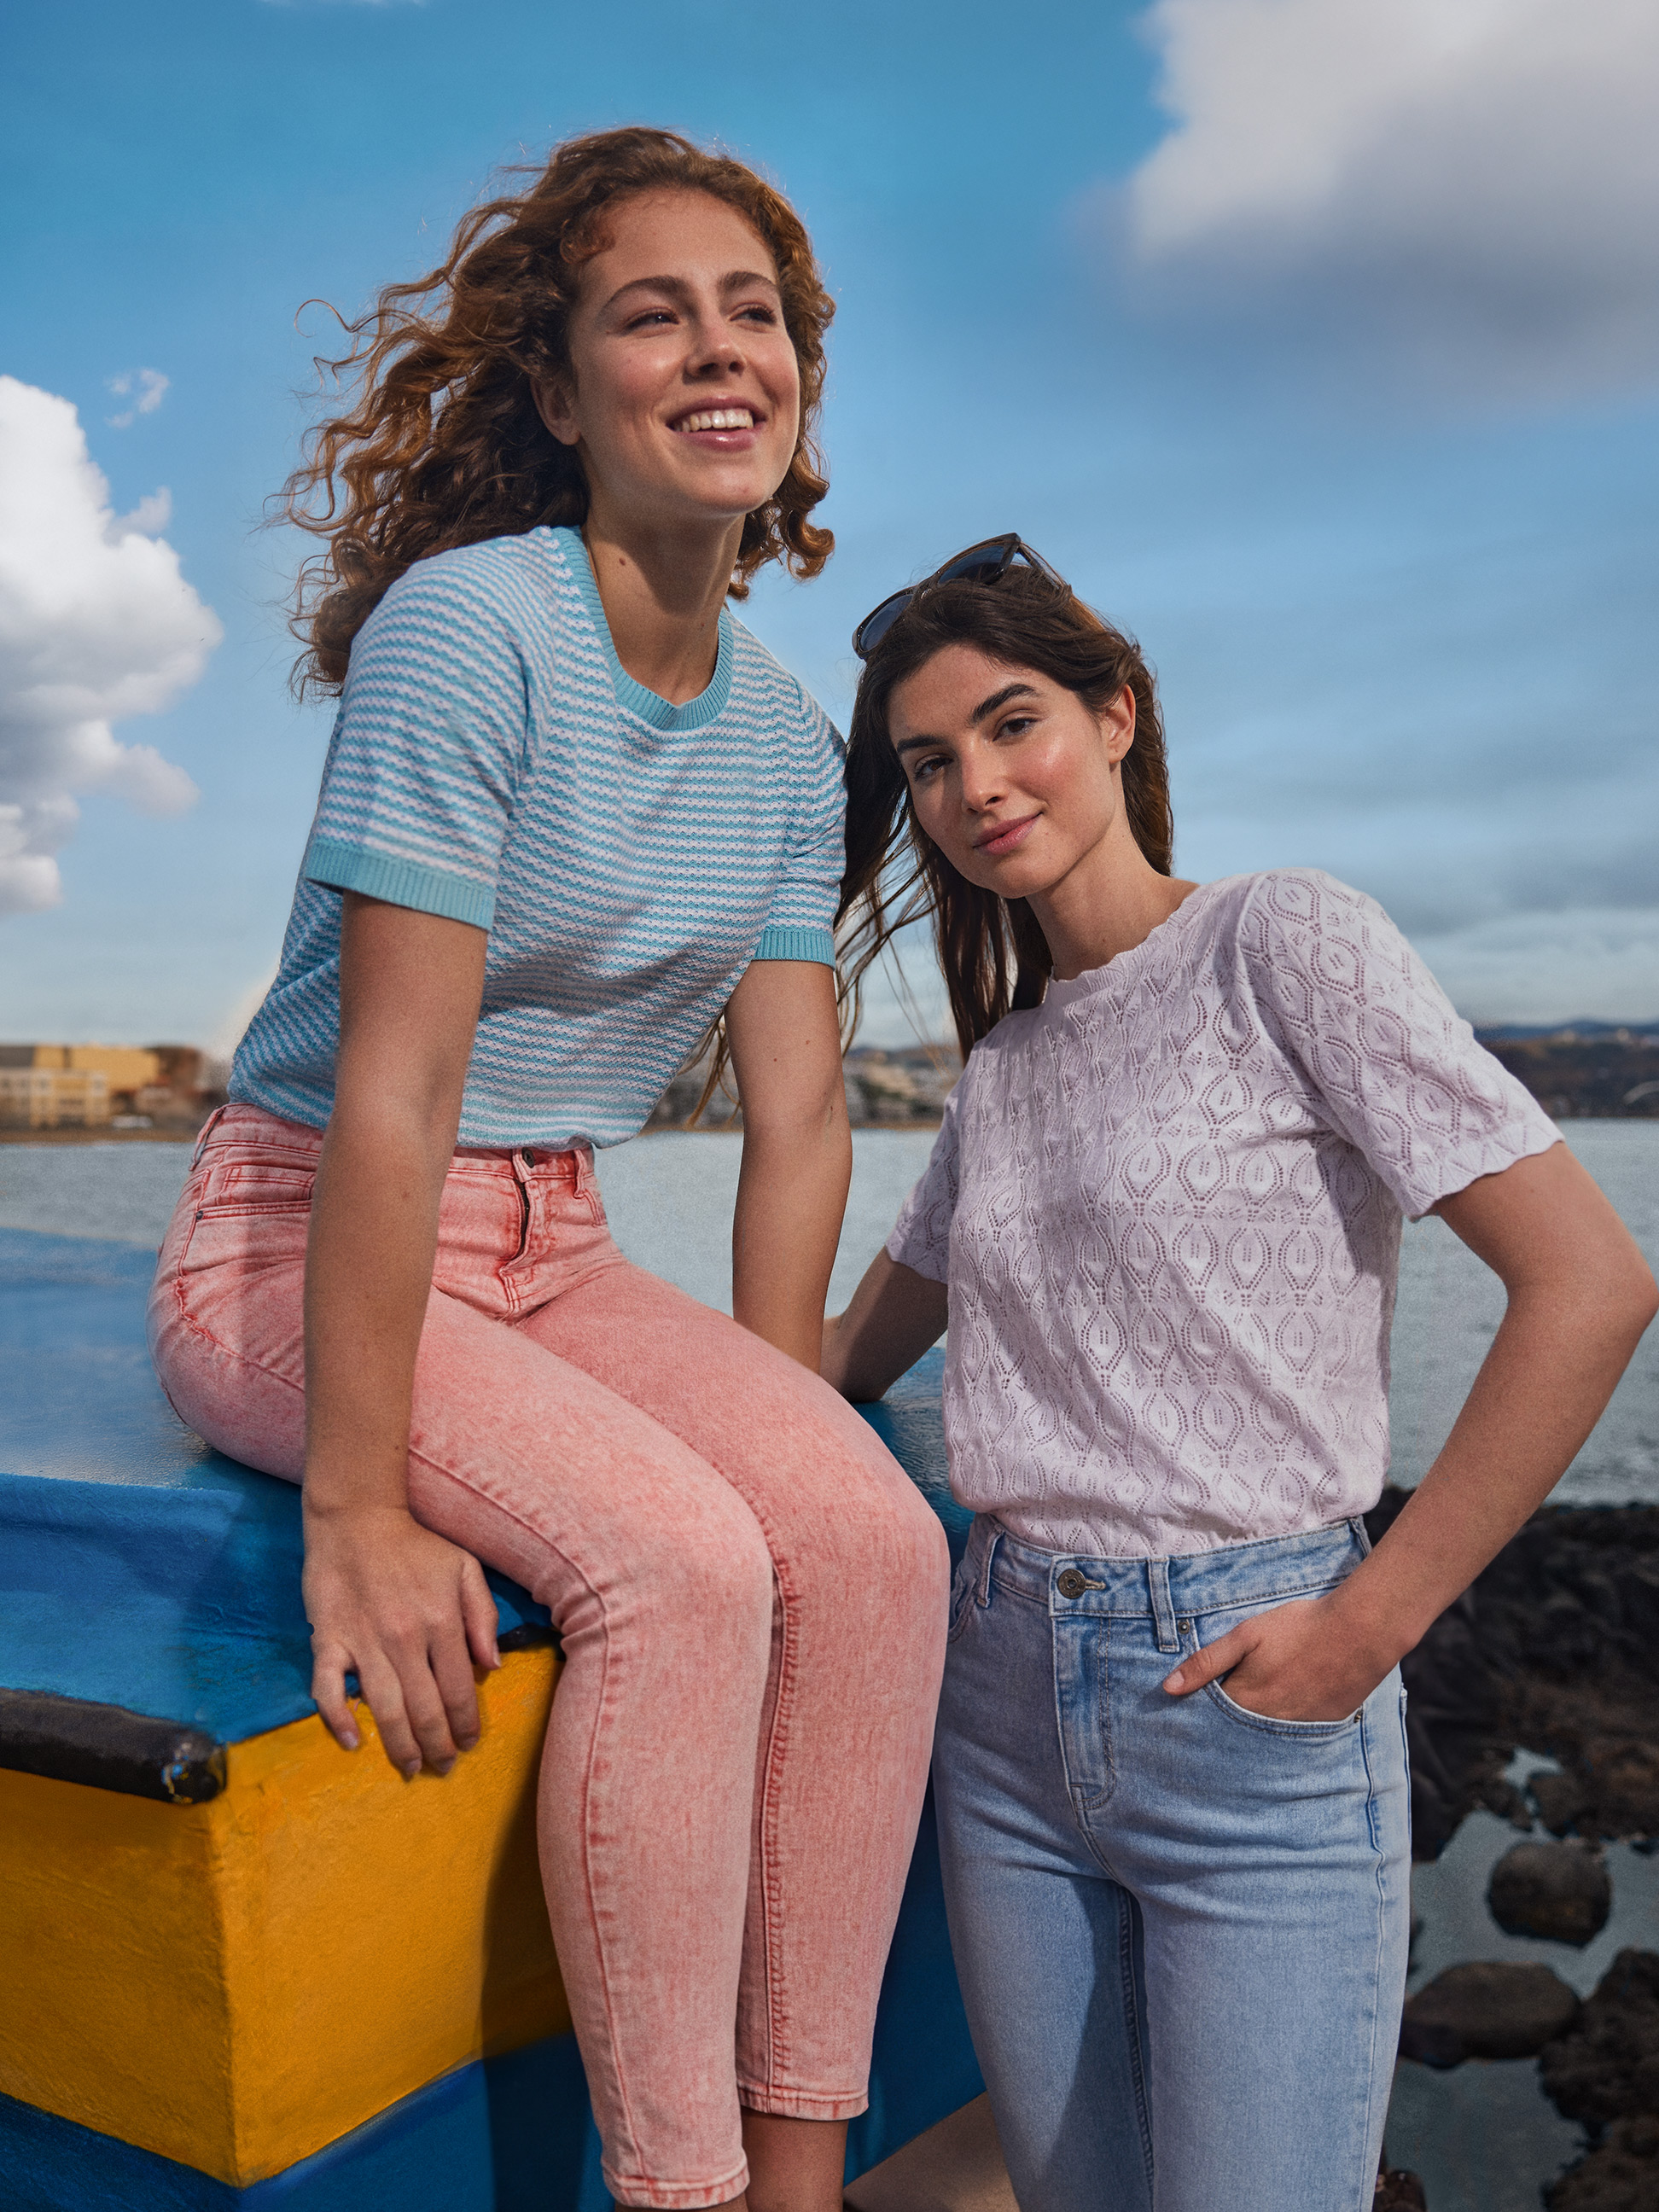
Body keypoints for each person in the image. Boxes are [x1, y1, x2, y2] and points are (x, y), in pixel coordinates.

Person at [148, 128, 949, 2212]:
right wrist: (353, 1503)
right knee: (675, 1576)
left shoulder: (785, 736)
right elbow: (393, 1100)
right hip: (304, 1232)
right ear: (562, 383)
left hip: (560, 1240)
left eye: (754, 311)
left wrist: (791, 1423)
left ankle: (801, 2174)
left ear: (800, 374)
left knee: (868, 1546)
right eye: (651, 311)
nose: (717, 349)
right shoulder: (467, 632)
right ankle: (674, 2191)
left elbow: (798, 1114)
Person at [822, 539, 1658, 2212]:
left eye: (1012, 724)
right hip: (997, 1703)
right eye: (930, 764)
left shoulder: (1283, 945)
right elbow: (838, 1361)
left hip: (1247, 1699)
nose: (977, 787)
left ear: (1116, 712)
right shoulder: (1004, 1072)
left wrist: (1372, 1619)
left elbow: (1590, 1284)